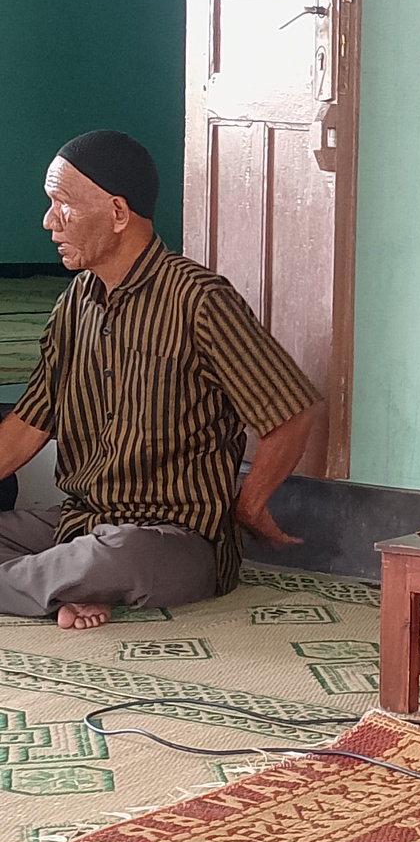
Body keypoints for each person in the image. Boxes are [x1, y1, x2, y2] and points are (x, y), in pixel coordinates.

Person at [0, 130, 319, 630]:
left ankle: (67, 581)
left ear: (119, 213)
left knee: (114, 556)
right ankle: (59, 588)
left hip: (172, 540)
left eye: (63, 204)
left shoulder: (200, 300)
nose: (48, 222)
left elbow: (292, 412)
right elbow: (27, 426)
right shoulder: (73, 303)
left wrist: (250, 504)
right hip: (77, 524)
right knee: (84, 556)